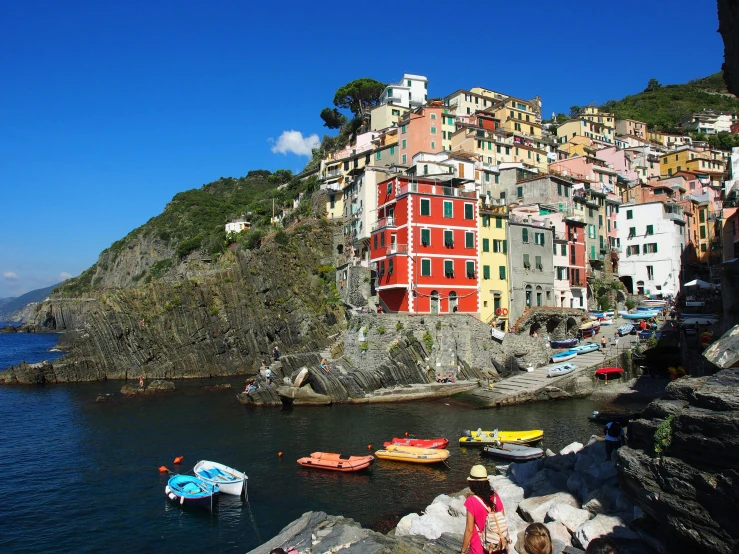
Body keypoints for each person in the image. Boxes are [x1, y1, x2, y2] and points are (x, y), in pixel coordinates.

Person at [461, 465, 510, 554]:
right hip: (496, 546)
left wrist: (463, 551)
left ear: (472, 483)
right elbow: (502, 519)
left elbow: (469, 530)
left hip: (479, 548)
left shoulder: (471, 501)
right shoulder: (496, 497)